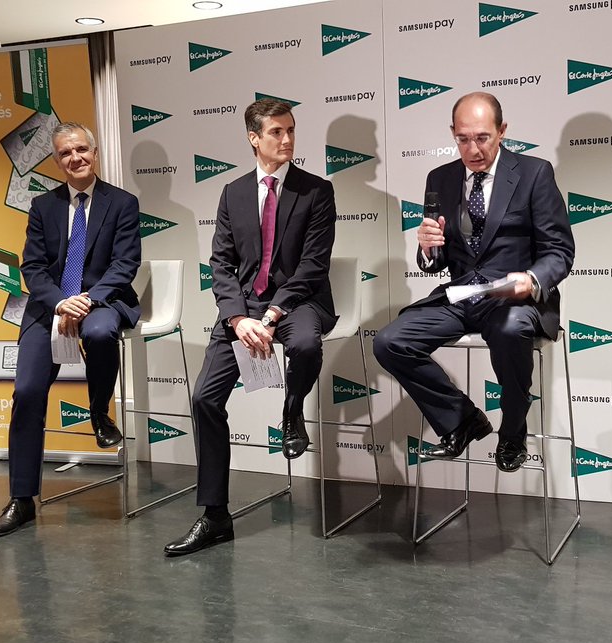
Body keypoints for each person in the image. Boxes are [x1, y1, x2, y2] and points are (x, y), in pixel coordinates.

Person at [164, 99, 337, 556]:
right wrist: (239, 318)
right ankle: (215, 514)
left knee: (303, 344)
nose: (287, 140)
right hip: (244, 307)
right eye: (276, 132)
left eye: (291, 131)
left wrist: (272, 314)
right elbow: (221, 264)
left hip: (296, 302)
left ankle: (292, 410)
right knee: (204, 397)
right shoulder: (233, 193)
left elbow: (312, 266)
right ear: (253, 138)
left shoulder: (317, 191)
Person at [374, 92, 574, 472]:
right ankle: (461, 419)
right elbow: (437, 261)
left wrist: (532, 280)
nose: (473, 149)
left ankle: (513, 428)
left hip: (516, 302)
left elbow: (560, 250)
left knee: (509, 328)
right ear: (453, 133)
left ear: (502, 131)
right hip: (462, 295)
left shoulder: (534, 173)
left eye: (482, 137)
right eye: (463, 138)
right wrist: (428, 249)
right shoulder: (441, 178)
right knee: (390, 342)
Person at [0, 122, 142, 537]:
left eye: (81, 150)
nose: (75, 159)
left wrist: (87, 300)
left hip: (103, 301)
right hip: (50, 306)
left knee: (98, 332)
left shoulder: (123, 203)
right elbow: (33, 268)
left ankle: (99, 413)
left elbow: (124, 264)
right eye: (65, 154)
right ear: (56, 161)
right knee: (28, 392)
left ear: (94, 152)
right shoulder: (43, 206)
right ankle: (21, 499)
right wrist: (60, 301)